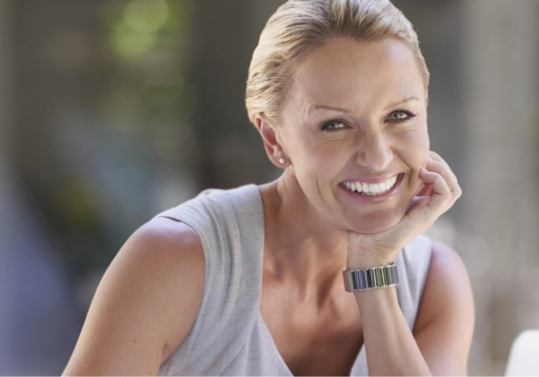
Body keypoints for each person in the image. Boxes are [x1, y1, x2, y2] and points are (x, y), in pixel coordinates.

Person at [62, 0, 475, 375]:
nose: (378, 156)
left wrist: (373, 270)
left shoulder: (436, 281)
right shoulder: (175, 261)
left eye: (400, 115)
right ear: (275, 140)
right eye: (334, 125)